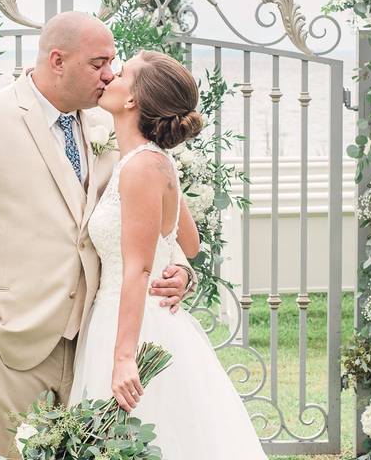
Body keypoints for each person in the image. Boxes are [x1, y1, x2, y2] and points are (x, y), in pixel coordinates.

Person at [0, 12, 195, 460]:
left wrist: (179, 268)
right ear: (58, 60)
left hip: (91, 340)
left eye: (113, 63)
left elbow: (148, 219)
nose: (109, 75)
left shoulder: (110, 126)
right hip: (6, 339)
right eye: (98, 63)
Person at [69, 50, 268, 459]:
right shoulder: (153, 161)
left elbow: (139, 270)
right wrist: (177, 267)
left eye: (120, 73)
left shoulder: (143, 167)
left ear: (131, 101)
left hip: (132, 329)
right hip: (142, 317)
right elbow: (188, 244)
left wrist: (124, 358)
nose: (110, 75)